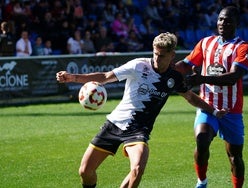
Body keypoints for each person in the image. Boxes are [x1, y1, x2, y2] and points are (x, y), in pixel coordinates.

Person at [56, 32, 227, 188]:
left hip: (138, 131)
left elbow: (190, 97)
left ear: (172, 55)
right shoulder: (138, 66)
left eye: (162, 56)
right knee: (85, 172)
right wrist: (73, 77)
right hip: (114, 124)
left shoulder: (174, 78)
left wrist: (213, 112)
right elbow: (106, 77)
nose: (157, 59)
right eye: (155, 54)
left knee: (137, 169)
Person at [174, 6, 248, 188]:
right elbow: (186, 64)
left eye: (228, 20)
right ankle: (202, 181)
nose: (223, 23)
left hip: (231, 111)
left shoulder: (244, 47)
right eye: (220, 19)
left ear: (237, 23)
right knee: (202, 140)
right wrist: (164, 70)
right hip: (207, 106)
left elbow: (233, 77)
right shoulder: (205, 43)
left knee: (234, 157)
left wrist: (201, 78)